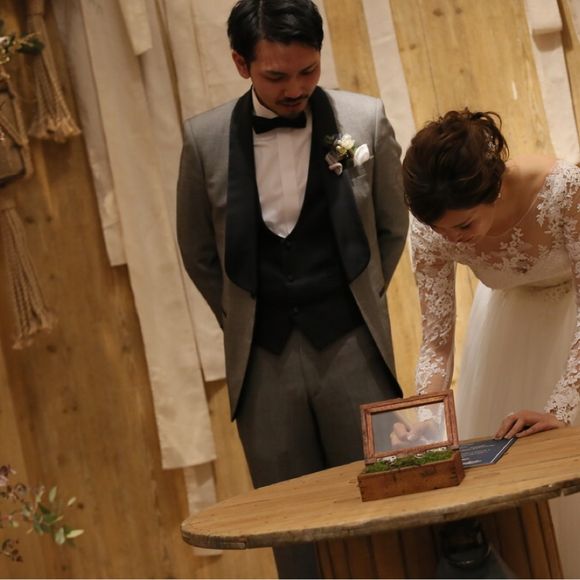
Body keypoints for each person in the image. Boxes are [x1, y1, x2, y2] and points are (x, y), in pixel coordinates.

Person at [176, 0, 408, 576]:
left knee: (385, 512)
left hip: (354, 347)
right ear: (241, 64)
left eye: (309, 70)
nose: (296, 88)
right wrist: (244, 320)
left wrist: (360, 298)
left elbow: (392, 225)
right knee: (291, 526)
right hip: (264, 361)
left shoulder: (365, 119)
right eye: (277, 76)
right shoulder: (203, 139)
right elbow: (198, 251)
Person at [402, 108, 580, 578]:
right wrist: (428, 425)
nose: (452, 240)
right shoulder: (432, 225)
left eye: (463, 227)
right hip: (509, 334)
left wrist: (562, 409)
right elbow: (436, 344)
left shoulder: (563, 191)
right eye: (440, 230)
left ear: (495, 188)